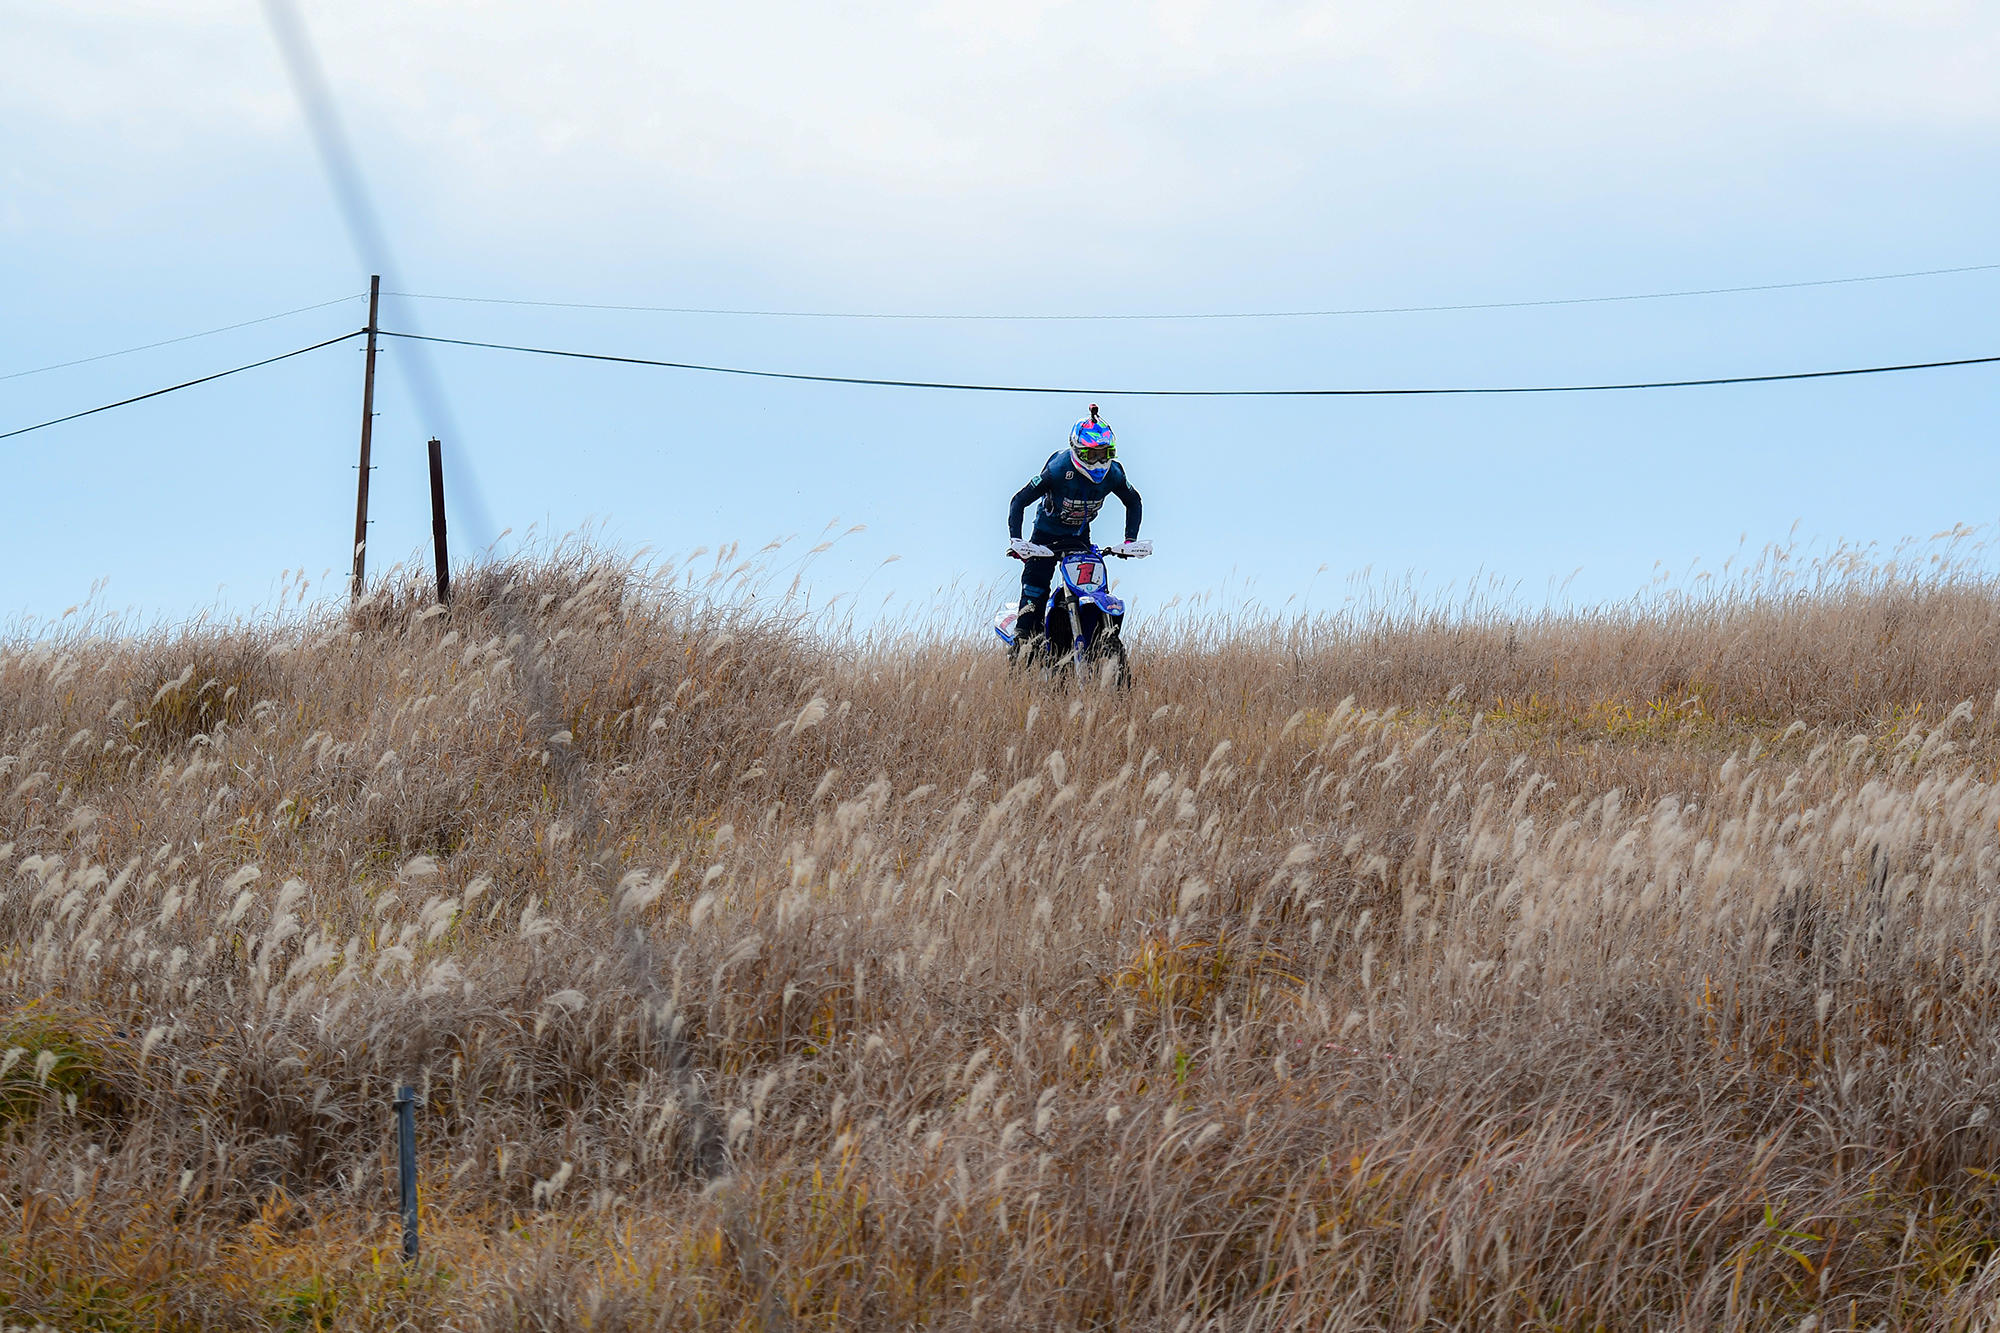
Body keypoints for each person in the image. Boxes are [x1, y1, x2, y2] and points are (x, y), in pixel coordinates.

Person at [1006, 405, 1150, 660]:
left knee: (1095, 589)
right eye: (1091, 454)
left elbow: (1134, 501)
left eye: (1104, 453)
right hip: (1045, 538)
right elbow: (1019, 500)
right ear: (1077, 451)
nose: (1098, 461)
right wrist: (1016, 540)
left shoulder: (1114, 473)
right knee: (1035, 590)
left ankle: (1091, 640)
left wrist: (1130, 540)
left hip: (1079, 538)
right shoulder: (1059, 469)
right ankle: (1021, 647)